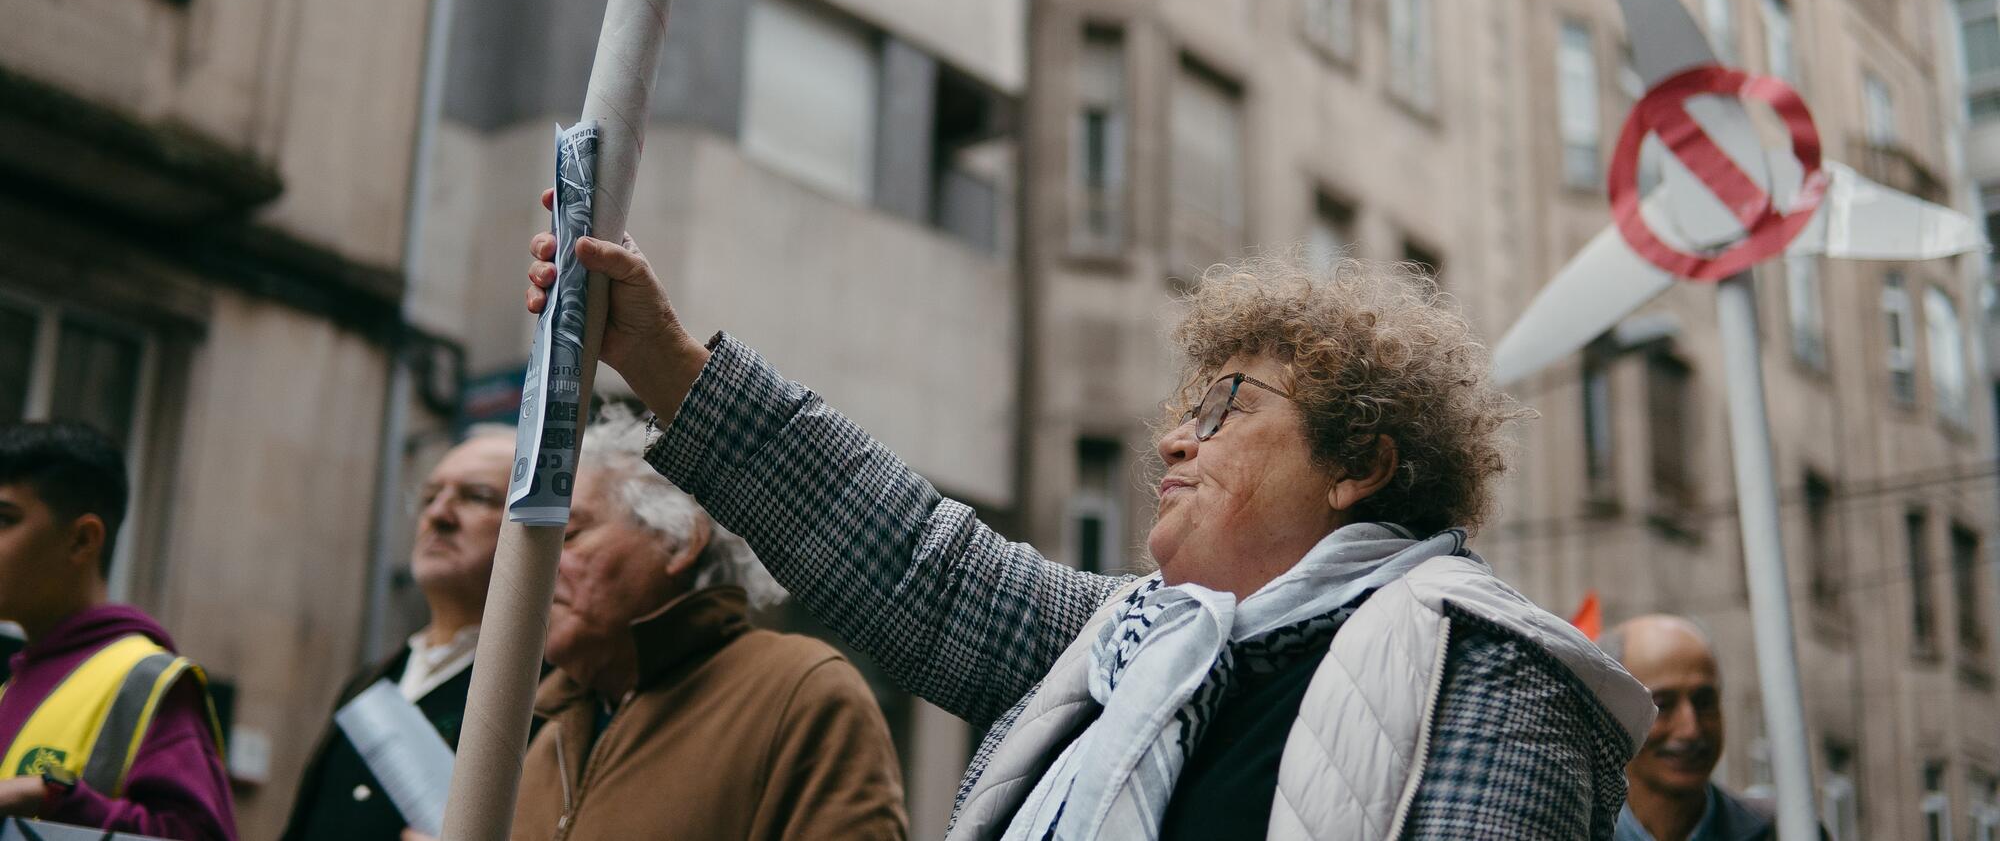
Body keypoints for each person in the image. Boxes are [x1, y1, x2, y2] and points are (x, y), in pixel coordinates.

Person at [524, 213, 1658, 840]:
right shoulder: (1140, 638)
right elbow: (924, 567)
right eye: (1181, 409)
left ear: (1359, 465)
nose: (1172, 442)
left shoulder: (1493, 677)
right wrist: (664, 364)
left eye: (1227, 410)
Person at [413, 408, 907, 841]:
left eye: (570, 534)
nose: (538, 566)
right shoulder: (544, 735)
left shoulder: (800, 691)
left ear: (677, 542)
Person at [0, 422, 235, 840]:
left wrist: (52, 798)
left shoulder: (147, 681)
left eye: (5, 519)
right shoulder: (13, 683)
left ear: (82, 540)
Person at [281, 427, 515, 841]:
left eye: (476, 496)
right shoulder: (366, 683)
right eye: (428, 498)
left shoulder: (543, 694)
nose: (438, 516)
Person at [1603, 615, 1792, 841]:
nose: (1690, 729)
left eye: (1704, 702)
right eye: (1661, 705)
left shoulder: (1790, 831)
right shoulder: (1570, 833)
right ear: (1610, 717)